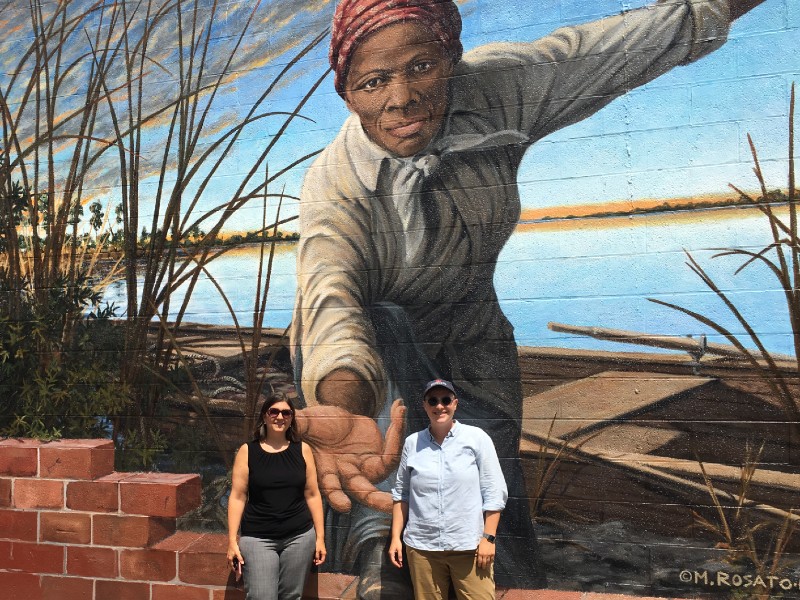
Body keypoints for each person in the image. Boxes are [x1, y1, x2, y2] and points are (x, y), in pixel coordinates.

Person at [290, 0, 767, 594]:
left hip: (472, 337)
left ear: (452, 62)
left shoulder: (500, 86)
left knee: (497, 516)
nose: (401, 97)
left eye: (421, 67)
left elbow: (620, 47)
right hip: (369, 357)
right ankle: (377, 563)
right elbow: (333, 305)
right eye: (374, 82)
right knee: (385, 364)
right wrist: (345, 406)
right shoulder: (335, 186)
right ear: (349, 95)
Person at [389, 379, 506, 600]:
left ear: (455, 404)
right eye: (433, 400)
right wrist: (395, 537)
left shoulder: (476, 439)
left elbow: (494, 492)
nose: (439, 406)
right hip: (423, 548)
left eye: (445, 400)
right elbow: (401, 494)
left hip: (469, 547)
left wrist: (488, 539)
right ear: (425, 405)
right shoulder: (413, 443)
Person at [227, 393, 326, 600]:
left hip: (299, 537)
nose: (280, 417)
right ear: (265, 416)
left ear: (291, 418)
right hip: (258, 538)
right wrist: (232, 541)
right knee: (262, 596)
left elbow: (313, 494)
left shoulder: (303, 450)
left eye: (286, 413)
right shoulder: (248, 451)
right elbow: (237, 497)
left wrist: (320, 538)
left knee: (292, 596)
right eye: (274, 411)